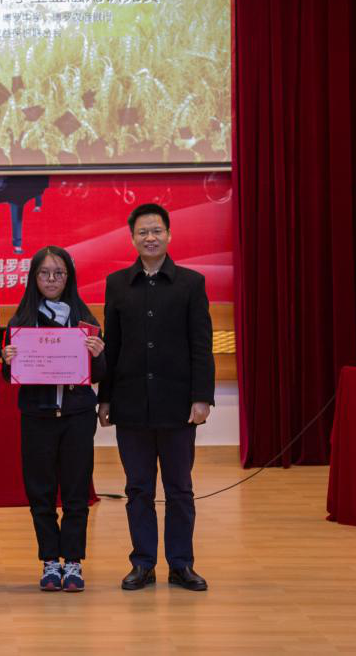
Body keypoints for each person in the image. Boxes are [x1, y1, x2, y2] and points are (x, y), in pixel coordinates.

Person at [98, 203, 215, 592]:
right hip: (131, 404)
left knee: (180, 489)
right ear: (132, 238)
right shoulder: (117, 283)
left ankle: (181, 564)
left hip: (177, 405)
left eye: (156, 231)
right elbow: (112, 346)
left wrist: (202, 397)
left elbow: (201, 344)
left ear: (169, 235)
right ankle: (143, 563)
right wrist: (105, 398)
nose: (150, 237)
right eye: (143, 232)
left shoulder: (191, 283)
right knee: (138, 489)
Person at [1, 246, 106, 592]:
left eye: (58, 273)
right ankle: (49, 560)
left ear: (69, 277)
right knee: (41, 491)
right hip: (37, 417)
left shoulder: (85, 322)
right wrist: (8, 359)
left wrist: (98, 355)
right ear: (34, 278)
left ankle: (73, 561)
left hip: (77, 417)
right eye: (44, 273)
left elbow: (99, 373)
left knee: (76, 490)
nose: (51, 279)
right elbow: (10, 376)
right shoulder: (21, 322)